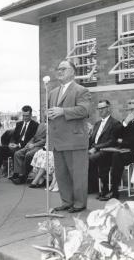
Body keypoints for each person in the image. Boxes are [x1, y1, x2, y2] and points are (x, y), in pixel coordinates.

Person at [48, 60, 91, 213]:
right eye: (58, 69)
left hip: (75, 140)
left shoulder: (81, 90)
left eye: (63, 68)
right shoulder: (52, 93)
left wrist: (63, 111)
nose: (60, 71)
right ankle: (66, 201)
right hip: (58, 141)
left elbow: (84, 110)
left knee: (77, 174)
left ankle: (79, 204)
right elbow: (51, 115)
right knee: (61, 175)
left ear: (73, 71)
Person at [99, 99, 134, 201]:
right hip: (123, 150)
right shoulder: (126, 122)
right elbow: (114, 136)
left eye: (132, 109)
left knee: (116, 157)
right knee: (103, 155)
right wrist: (125, 123)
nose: (129, 112)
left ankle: (114, 192)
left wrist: (122, 141)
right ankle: (105, 189)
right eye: (128, 110)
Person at [0, 105, 39, 180]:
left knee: (16, 153)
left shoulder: (35, 125)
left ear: (31, 115)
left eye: (27, 116)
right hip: (15, 146)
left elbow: (32, 139)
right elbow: (14, 136)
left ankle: (16, 175)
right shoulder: (19, 124)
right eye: (23, 116)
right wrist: (11, 143)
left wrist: (18, 145)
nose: (25, 118)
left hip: (24, 147)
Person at [88, 100, 122, 196]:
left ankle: (104, 187)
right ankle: (90, 186)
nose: (100, 110)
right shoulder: (97, 124)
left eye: (102, 108)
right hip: (94, 149)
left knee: (92, 159)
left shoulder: (115, 123)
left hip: (108, 151)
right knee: (80, 158)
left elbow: (112, 141)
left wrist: (96, 148)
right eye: (99, 108)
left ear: (108, 108)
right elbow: (91, 139)